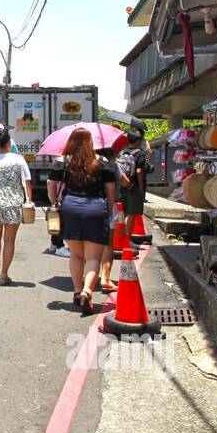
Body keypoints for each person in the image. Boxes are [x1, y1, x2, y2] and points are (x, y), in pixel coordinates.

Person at [47, 127, 118, 314]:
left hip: (70, 207)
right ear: (91, 142)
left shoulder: (62, 162)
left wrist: (55, 201)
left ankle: (77, 291)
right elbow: (111, 190)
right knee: (93, 257)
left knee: (76, 255)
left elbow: (50, 184)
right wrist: (109, 210)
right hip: (96, 207)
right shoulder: (103, 162)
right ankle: (88, 291)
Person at [0, 127, 32, 286]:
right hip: (14, 202)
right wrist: (29, 199)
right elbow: (28, 181)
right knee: (9, 240)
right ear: (9, 143)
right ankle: (4, 274)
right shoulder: (19, 159)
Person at [96, 145, 132, 292]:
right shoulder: (111, 164)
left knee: (91, 243)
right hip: (109, 205)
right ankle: (105, 278)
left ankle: (89, 274)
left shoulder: (88, 162)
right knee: (108, 243)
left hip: (89, 205)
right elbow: (125, 182)